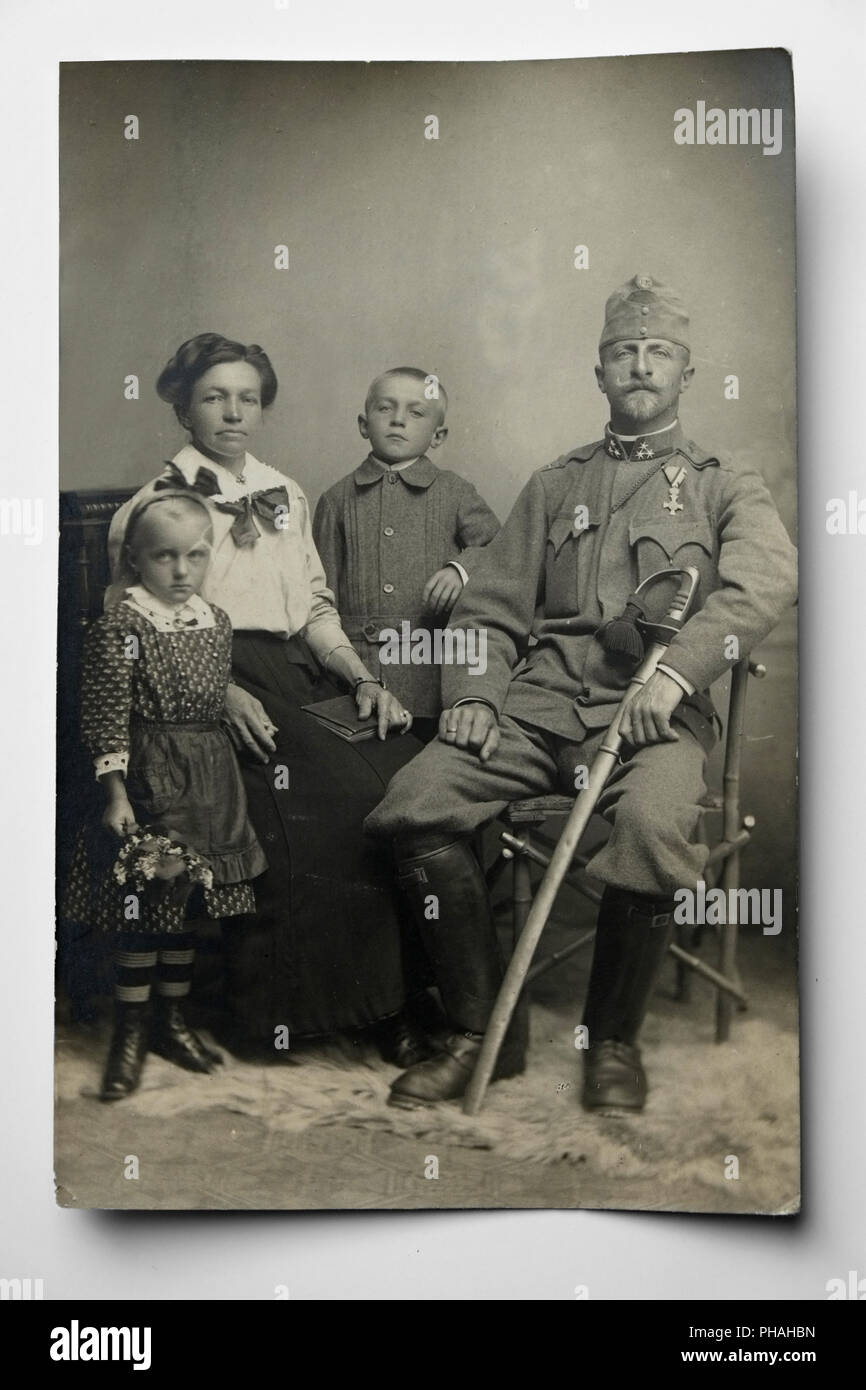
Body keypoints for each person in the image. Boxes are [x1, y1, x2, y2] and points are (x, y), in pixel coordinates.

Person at [366, 274, 798, 1112]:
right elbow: (490, 608)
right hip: (536, 709)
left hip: (654, 720)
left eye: (659, 353)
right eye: (623, 353)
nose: (641, 366)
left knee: (650, 821)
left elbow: (764, 584)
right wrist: (480, 693)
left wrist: (673, 677)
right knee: (413, 806)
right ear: (599, 374)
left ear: (685, 375)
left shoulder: (722, 483)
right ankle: (483, 1033)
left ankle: (611, 1045)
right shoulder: (554, 485)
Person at [105, 334, 433, 1066]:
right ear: (182, 407)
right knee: (332, 807)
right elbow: (131, 629)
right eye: (215, 396)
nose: (233, 411)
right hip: (201, 690)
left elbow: (316, 608)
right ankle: (301, 1014)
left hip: (298, 673)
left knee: (405, 775)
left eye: (247, 397)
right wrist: (218, 689)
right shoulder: (152, 508)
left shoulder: (285, 493)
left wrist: (361, 679)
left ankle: (412, 1001)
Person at [65, 491, 267, 1100]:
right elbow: (104, 713)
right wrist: (116, 793)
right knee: (146, 908)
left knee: (184, 913)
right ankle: (130, 1031)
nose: (181, 572)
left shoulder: (215, 620)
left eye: (195, 556)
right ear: (135, 559)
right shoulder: (122, 625)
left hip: (211, 779)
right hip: (152, 775)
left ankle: (169, 1023)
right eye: (164, 557)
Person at [313, 368, 500, 740]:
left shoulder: (455, 492)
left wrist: (460, 570)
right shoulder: (336, 500)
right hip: (358, 677)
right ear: (364, 425)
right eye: (386, 409)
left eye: (416, 413)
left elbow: (504, 553)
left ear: (438, 435)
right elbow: (321, 596)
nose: (398, 420)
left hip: (431, 673)